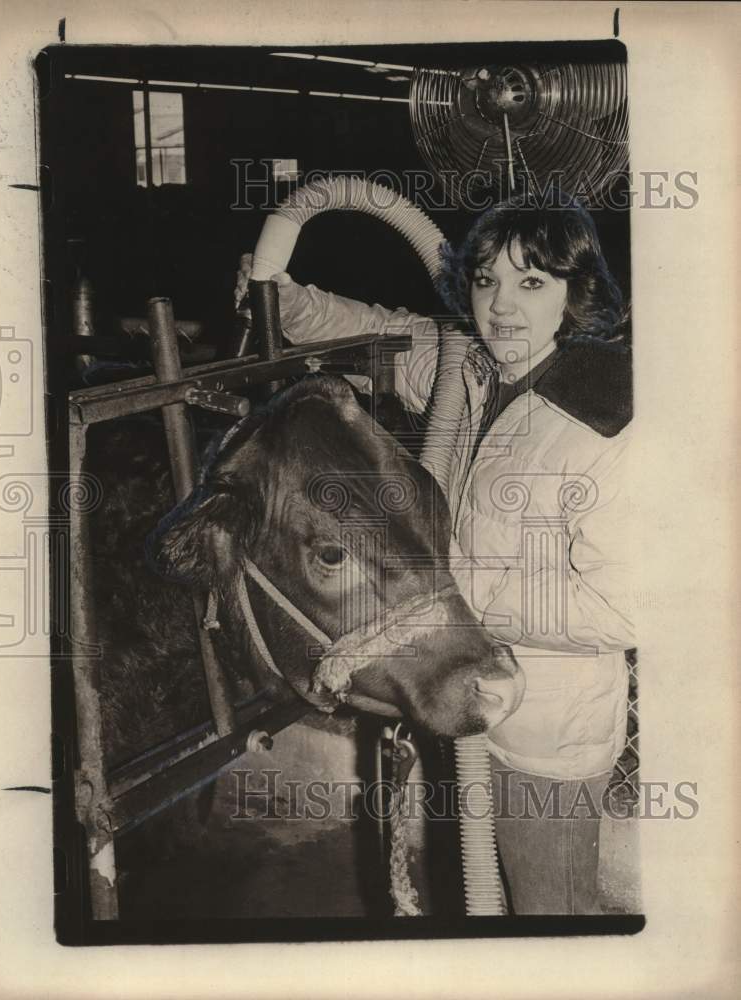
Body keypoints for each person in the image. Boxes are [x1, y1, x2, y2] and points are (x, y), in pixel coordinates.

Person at [237, 197, 634, 915]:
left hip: (544, 728)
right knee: (487, 894)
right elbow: (368, 326)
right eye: (486, 281)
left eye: (532, 282)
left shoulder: (609, 419)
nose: (501, 306)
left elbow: (624, 609)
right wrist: (281, 297)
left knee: (550, 911)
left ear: (576, 295)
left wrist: (451, 589)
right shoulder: (471, 370)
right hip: (459, 682)